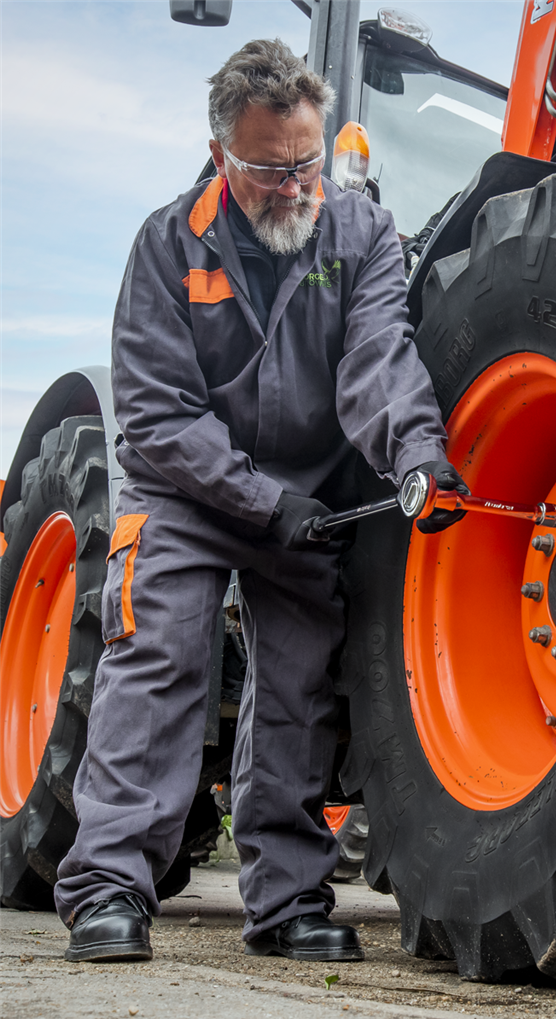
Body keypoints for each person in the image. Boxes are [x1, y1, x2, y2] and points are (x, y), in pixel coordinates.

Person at [54, 39, 467, 964]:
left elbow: (380, 362)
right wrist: (253, 497)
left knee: (301, 687)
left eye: (309, 163)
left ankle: (285, 902)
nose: (295, 187)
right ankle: (110, 888)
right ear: (221, 156)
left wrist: (421, 457)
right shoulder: (167, 246)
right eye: (270, 170)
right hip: (186, 491)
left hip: (307, 494)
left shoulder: (358, 233)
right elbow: (158, 416)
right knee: (156, 654)